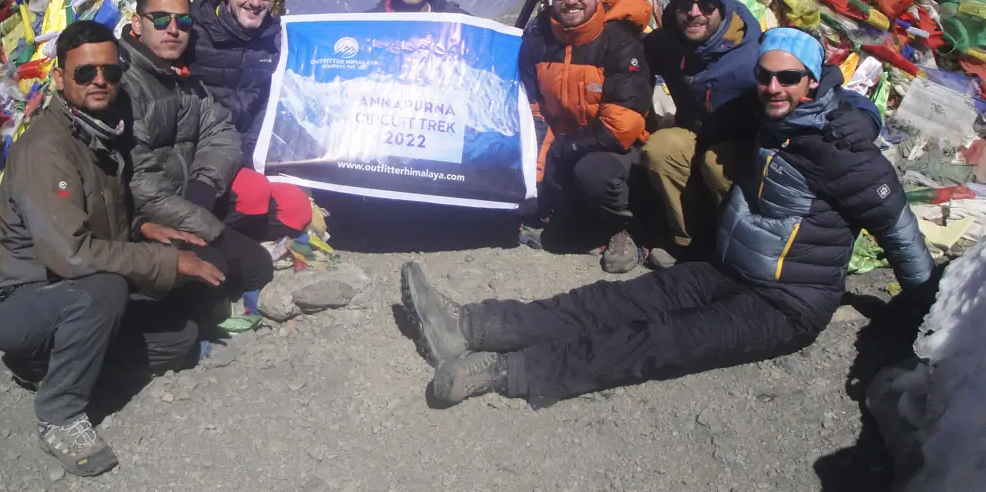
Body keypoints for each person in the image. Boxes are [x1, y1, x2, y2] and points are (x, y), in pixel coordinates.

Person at [399, 27, 935, 408]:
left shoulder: (844, 151)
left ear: (812, 83)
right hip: (727, 269)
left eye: (788, 79)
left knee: (653, 340)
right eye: (766, 77)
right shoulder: (768, 115)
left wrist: (929, 324)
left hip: (787, 304)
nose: (774, 88)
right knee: (611, 300)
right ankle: (470, 325)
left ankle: (505, 372)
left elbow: (901, 234)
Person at [0, 20, 228, 476]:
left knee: (180, 340)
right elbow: (71, 252)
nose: (100, 82)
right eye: (85, 73)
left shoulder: (98, 132)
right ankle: (59, 414)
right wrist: (167, 262)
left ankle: (49, 365)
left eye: (110, 74)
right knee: (106, 290)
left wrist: (145, 228)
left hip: (72, 290)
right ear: (59, 78)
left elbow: (104, 217)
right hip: (23, 298)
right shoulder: (47, 147)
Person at [643, 0, 881, 262]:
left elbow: (822, 81)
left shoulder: (754, 55)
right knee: (661, 148)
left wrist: (865, 117)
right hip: (701, 135)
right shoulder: (669, 42)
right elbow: (631, 51)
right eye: (684, 4)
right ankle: (691, 242)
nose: (694, 13)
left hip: (752, 149)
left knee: (718, 164)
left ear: (723, 7)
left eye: (706, 4)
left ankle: (742, 252)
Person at [118, 0, 276, 289]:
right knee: (235, 270)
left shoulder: (185, 81)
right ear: (137, 24)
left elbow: (222, 132)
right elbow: (138, 181)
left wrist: (205, 182)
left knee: (259, 256)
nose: (173, 30)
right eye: (160, 20)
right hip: (145, 216)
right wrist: (202, 223)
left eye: (183, 21)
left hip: (188, 200)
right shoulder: (122, 83)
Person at [520, 0, 652, 273]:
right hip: (562, 140)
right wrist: (538, 158)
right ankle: (570, 216)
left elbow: (622, 125)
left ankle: (622, 227)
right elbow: (531, 106)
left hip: (614, 148)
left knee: (594, 173)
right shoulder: (538, 39)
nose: (571, 0)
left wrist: (563, 149)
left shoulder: (619, 41)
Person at [188, 0, 313, 239]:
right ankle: (211, 245)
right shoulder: (194, 33)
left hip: (250, 153)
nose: (255, 2)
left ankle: (234, 239)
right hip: (202, 153)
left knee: (297, 209)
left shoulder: (275, 40)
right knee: (252, 194)